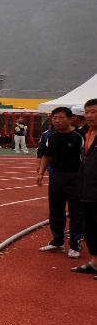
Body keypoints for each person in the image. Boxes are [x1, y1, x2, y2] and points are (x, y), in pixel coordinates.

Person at [37, 107, 84, 258]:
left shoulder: (79, 136)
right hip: (56, 176)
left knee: (76, 212)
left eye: (61, 117)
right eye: (54, 118)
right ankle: (57, 242)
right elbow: (47, 155)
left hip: (75, 177)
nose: (57, 121)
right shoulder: (51, 137)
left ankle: (75, 245)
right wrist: (41, 173)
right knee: (55, 210)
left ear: (71, 119)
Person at [71, 99, 97, 276]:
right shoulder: (87, 133)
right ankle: (95, 262)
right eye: (87, 112)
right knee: (90, 227)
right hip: (86, 190)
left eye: (93, 112)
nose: (88, 115)